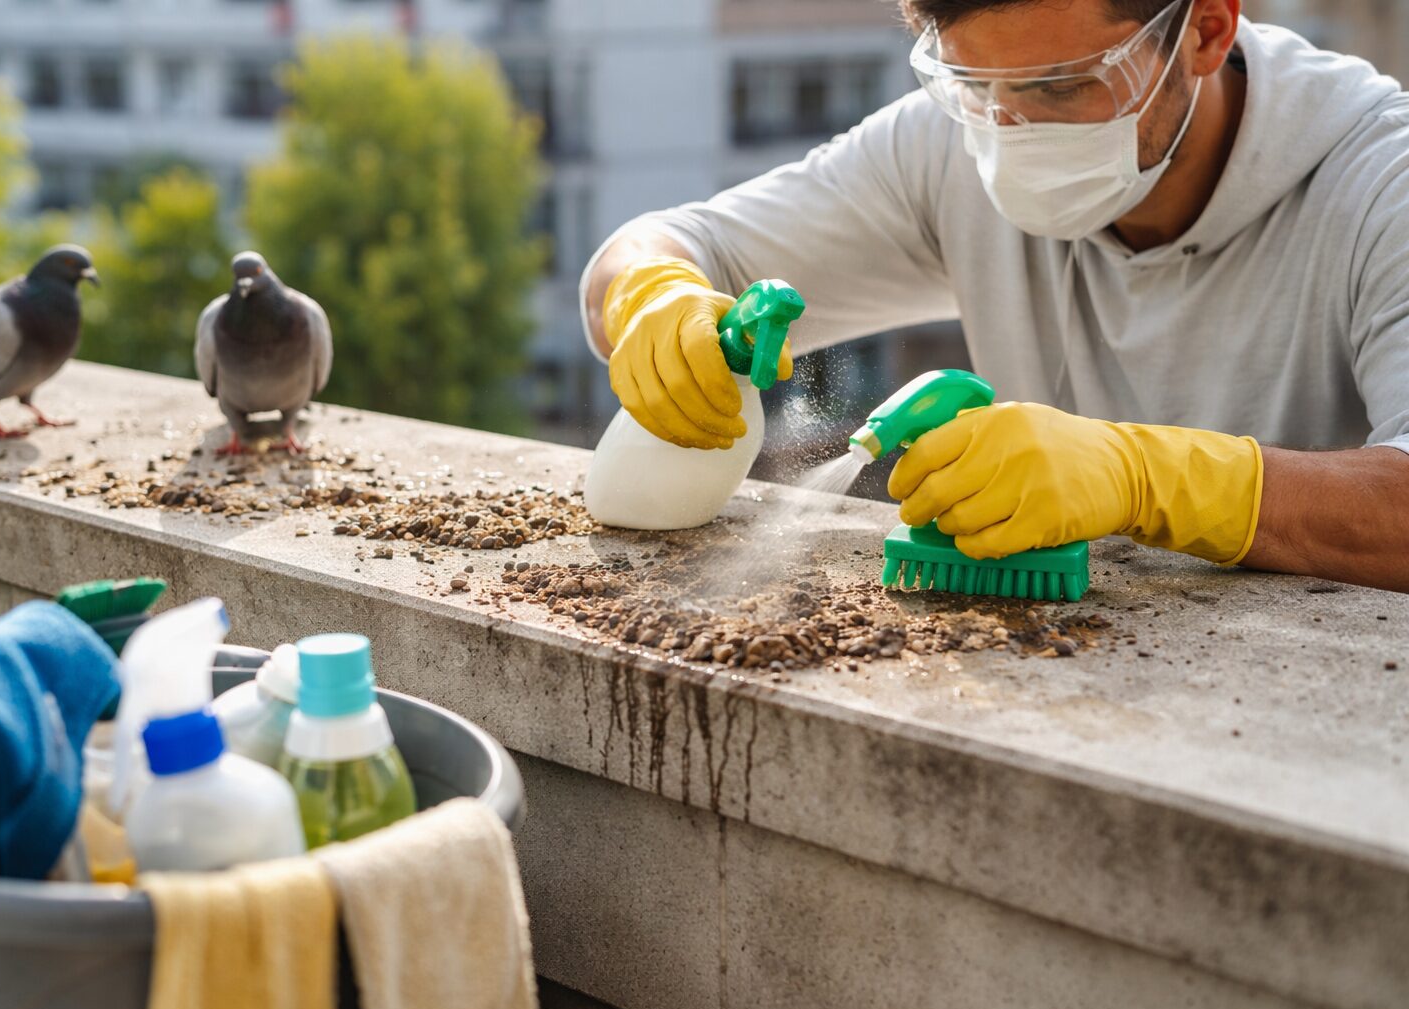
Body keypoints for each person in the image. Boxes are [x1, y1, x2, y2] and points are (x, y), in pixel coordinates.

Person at [580, 0, 1409, 592]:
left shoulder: (1381, 180)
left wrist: (1149, 480)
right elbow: (673, 245)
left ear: (1206, 29)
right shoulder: (947, 146)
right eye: (975, 85)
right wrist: (651, 295)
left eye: (1062, 87)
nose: (1011, 134)